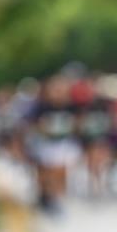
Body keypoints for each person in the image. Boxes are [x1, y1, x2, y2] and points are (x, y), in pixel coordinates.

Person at [27, 74, 81, 214]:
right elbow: (33, 125)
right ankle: (44, 196)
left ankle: (55, 198)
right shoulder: (41, 106)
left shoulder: (71, 106)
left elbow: (77, 124)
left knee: (59, 171)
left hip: (63, 144)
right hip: (45, 144)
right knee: (44, 172)